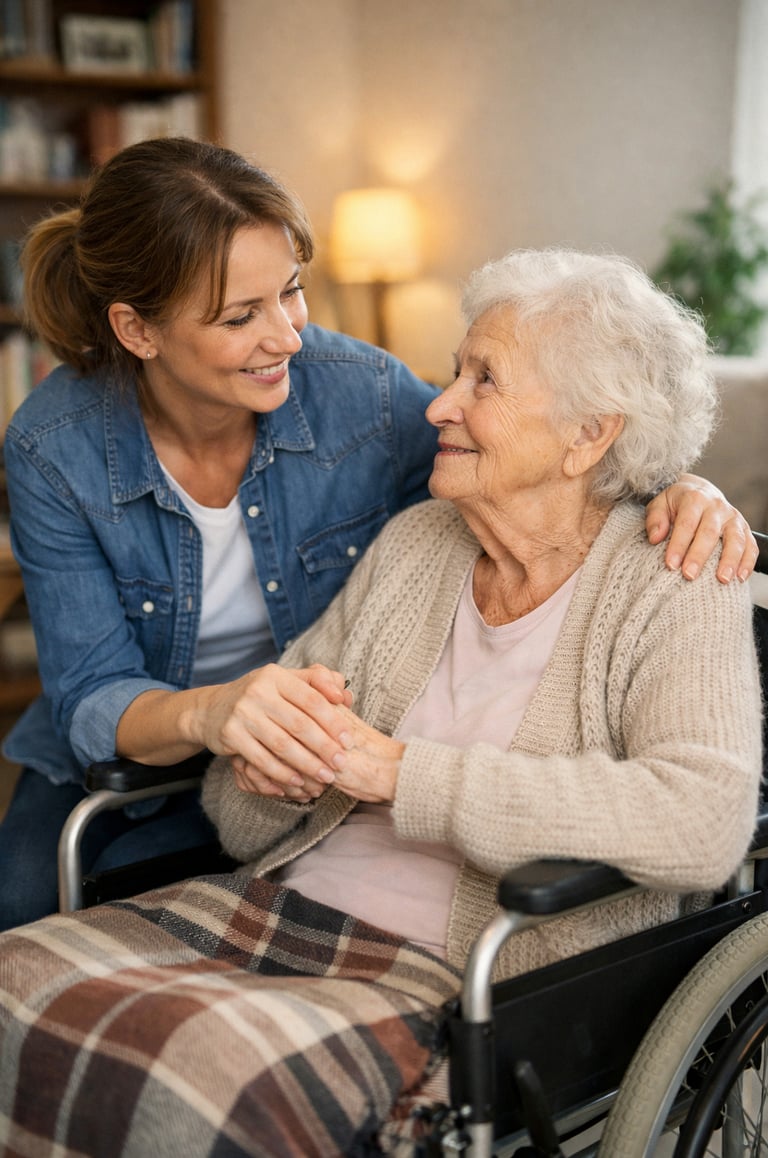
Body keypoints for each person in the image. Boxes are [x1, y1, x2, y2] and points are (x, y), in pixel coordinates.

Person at [0, 248, 761, 1158]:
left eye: (484, 381)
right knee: (14, 975)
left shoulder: (676, 578)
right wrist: (269, 770)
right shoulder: (418, 544)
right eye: (453, 373)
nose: (439, 405)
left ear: (589, 434)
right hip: (274, 912)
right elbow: (241, 825)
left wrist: (401, 774)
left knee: (211, 1088)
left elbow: (704, 822)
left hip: (465, 972)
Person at [0, 138, 755, 935]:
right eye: (238, 316)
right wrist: (220, 716)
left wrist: (677, 485)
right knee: (22, 910)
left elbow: (539, 454)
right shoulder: (57, 447)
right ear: (138, 330)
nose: (288, 336)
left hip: (305, 774)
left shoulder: (355, 393)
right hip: (155, 738)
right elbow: (93, 694)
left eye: (291, 292)